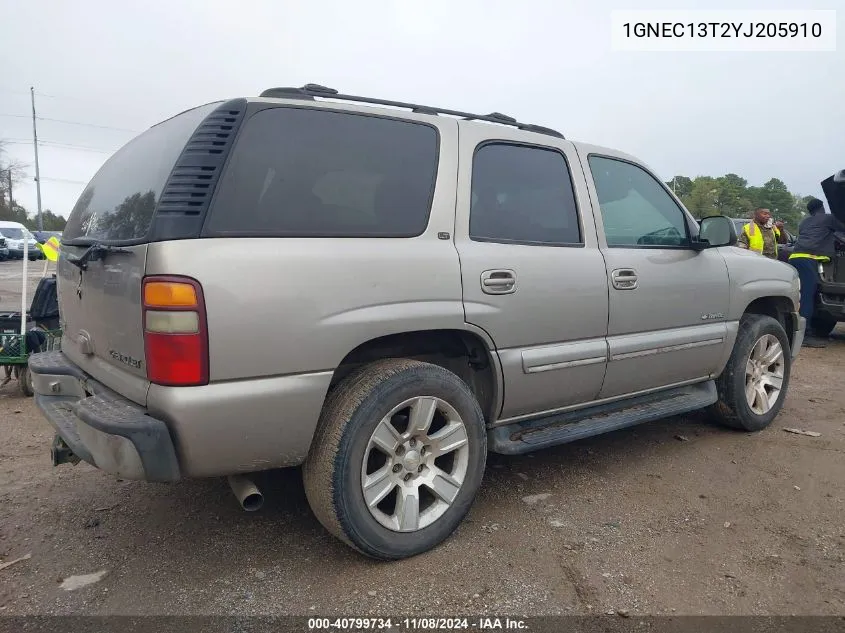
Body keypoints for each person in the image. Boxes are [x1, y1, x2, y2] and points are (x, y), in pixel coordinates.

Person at [788, 197, 845, 348]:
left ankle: (799, 330)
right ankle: (805, 336)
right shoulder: (827, 219)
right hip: (808, 259)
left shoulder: (805, 222)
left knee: (803, 296)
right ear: (821, 208)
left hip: (795, 257)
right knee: (807, 297)